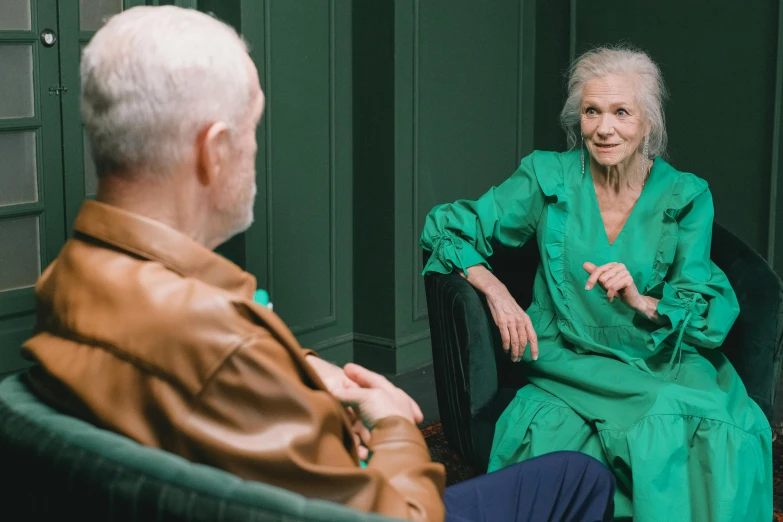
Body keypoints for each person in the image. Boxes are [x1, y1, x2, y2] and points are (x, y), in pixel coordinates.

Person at [20, 6, 615, 522]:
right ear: (212, 149)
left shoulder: (71, 275)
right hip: (380, 500)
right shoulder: (225, 347)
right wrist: (392, 423)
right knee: (579, 478)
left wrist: (298, 367)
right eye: (251, 132)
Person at [421, 46, 772, 522]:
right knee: (663, 417)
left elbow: (696, 300)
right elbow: (449, 228)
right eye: (592, 111)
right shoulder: (548, 177)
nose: (604, 128)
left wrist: (640, 299)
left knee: (728, 426)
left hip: (657, 351)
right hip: (570, 351)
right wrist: (497, 291)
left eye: (622, 112)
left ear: (648, 123)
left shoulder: (685, 195)